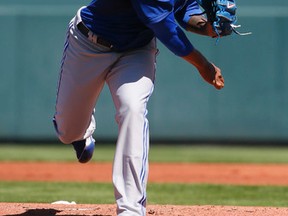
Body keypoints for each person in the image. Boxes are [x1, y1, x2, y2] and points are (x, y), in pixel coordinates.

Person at [53, 0, 224, 215]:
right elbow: (165, 29)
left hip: (136, 51)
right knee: (68, 131)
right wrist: (204, 65)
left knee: (133, 110)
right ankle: (82, 131)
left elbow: (184, 7)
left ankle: (131, 208)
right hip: (88, 43)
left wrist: (207, 26)